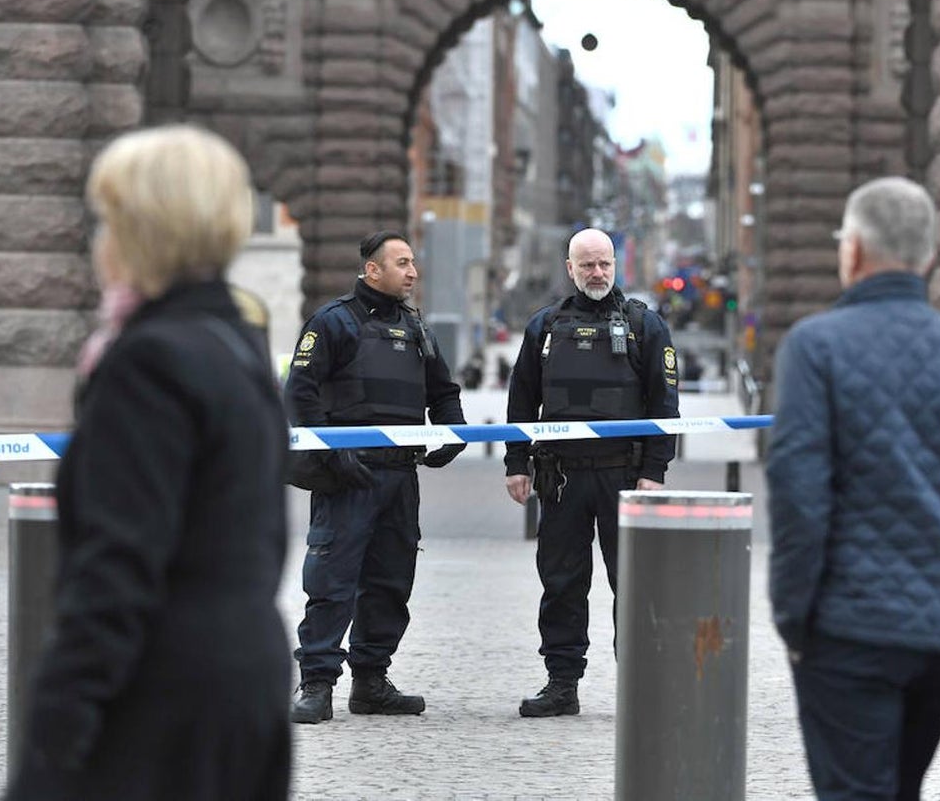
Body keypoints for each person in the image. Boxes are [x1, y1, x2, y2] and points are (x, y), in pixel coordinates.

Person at [6, 125, 291, 800]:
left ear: (141, 230)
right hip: (245, 685)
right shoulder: (234, 345)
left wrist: (50, 749)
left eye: (108, 221)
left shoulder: (148, 361)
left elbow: (115, 573)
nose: (99, 240)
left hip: (159, 702)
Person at [765, 176, 940, 801]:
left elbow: (798, 495)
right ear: (930, 257)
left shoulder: (815, 348)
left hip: (849, 630)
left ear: (853, 250)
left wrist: (794, 619)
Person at [286, 230, 466, 723]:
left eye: (413, 263)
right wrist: (332, 452)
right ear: (373, 270)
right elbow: (299, 394)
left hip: (399, 477)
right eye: (403, 263)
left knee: (390, 582)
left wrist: (454, 432)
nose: (413, 272)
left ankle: (371, 681)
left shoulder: (415, 327)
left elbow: (442, 389)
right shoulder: (332, 323)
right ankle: (316, 683)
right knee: (332, 580)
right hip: (349, 477)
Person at [504, 228, 680, 717]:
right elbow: (522, 399)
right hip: (560, 478)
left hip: (625, 477)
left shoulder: (646, 326)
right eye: (587, 265)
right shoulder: (544, 326)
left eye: (604, 263)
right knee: (561, 582)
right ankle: (562, 684)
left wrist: (655, 470)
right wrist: (515, 462)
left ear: (616, 264)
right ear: (570, 268)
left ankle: (640, 687)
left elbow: (665, 405)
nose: (597, 273)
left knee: (634, 581)